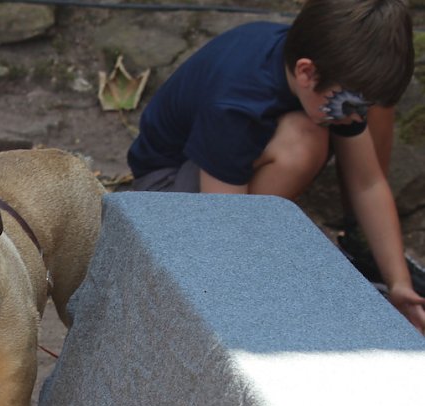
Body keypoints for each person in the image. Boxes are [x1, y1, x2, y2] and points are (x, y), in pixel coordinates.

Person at [126, 0, 425, 334]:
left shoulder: (332, 78)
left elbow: (368, 183)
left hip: (222, 179)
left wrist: (398, 282)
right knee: (304, 140)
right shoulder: (235, 104)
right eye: (352, 105)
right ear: (306, 72)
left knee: (330, 126)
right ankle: (232, 259)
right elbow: (219, 225)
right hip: (165, 195)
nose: (356, 117)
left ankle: (261, 241)